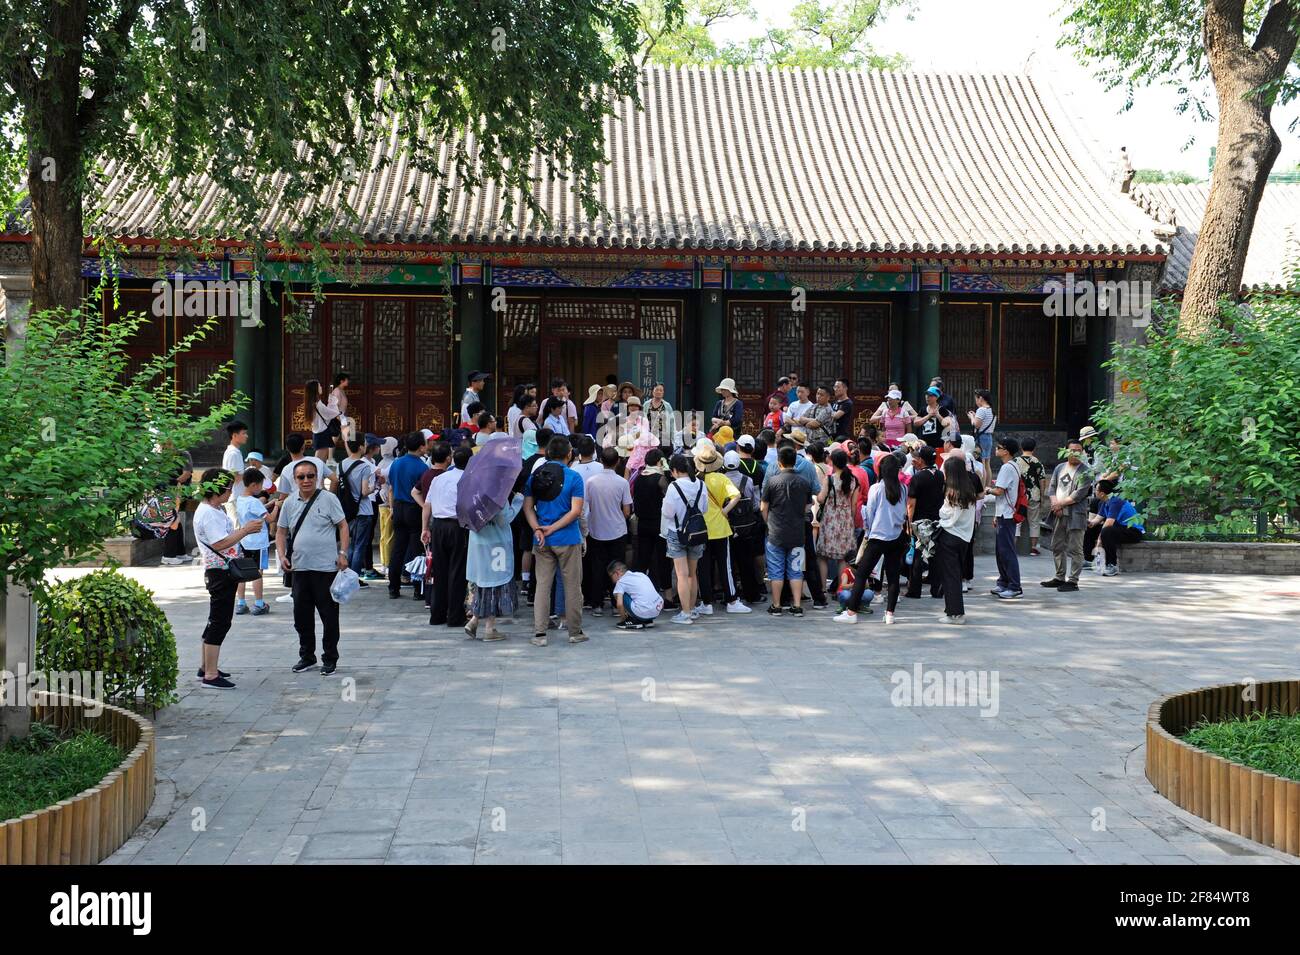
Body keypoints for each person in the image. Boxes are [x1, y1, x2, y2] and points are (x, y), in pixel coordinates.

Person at [275, 460, 349, 675]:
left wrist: (343, 553)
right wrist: (281, 556)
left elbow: (343, 525)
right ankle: (307, 656)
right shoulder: (289, 502)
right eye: (301, 477)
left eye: (310, 476)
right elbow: (280, 532)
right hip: (299, 569)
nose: (306, 480)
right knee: (302, 616)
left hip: (326, 568)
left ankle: (330, 658)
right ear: (294, 480)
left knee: (329, 616)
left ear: (317, 477)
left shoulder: (329, 499)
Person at [194, 469, 265, 689]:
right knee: (220, 621)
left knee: (215, 619)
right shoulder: (209, 513)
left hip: (221, 570)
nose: (229, 493)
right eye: (227, 489)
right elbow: (219, 543)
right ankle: (211, 675)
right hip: (220, 572)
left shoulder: (212, 509)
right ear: (218, 490)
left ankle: (206, 667)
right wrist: (245, 531)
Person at [524, 435, 588, 646]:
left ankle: (540, 634)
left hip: (542, 540)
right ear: (569, 453)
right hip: (568, 537)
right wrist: (554, 527)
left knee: (543, 585)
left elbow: (527, 507)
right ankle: (575, 631)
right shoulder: (574, 477)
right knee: (572, 586)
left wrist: (539, 529)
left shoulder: (534, 477)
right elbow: (576, 511)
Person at [835, 453, 908, 625]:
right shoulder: (903, 488)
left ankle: (851, 612)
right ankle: (890, 614)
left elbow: (869, 513)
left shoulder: (877, 488)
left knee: (861, 574)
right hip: (896, 537)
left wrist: (868, 529)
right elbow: (903, 513)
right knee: (893, 577)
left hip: (877, 537)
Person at [465, 485, 525, 642]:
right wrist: (518, 501)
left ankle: (474, 620)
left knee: (483, 584)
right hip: (496, 545)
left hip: (478, 543)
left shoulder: (471, 492)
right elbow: (504, 519)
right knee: (495, 586)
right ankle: (489, 628)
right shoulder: (497, 493)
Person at [693, 442, 747, 614]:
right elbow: (737, 495)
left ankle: (706, 603)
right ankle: (731, 600)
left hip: (701, 530)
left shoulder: (695, 480)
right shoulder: (722, 478)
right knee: (726, 566)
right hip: (721, 528)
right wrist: (724, 510)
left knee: (703, 567)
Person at [761, 445, 812, 617]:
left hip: (775, 532)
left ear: (779, 462)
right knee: (796, 570)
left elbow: (763, 507)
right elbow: (808, 506)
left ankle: (776, 605)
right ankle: (797, 605)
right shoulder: (804, 482)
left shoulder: (772, 481)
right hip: (798, 533)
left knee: (776, 571)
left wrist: (768, 523)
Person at [583, 446, 633, 615]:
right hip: (617, 530)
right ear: (618, 462)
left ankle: (596, 604)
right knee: (618, 568)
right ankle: (616, 604)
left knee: (597, 567)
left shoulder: (591, 482)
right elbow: (627, 510)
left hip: (596, 529)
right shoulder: (622, 482)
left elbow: (586, 505)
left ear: (601, 461)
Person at [661, 452, 709, 625]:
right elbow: (704, 509)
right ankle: (692, 608)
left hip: (677, 532)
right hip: (697, 532)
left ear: (674, 470)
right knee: (692, 574)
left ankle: (686, 613)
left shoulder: (673, 487)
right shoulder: (701, 485)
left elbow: (667, 513)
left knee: (681, 575)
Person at [1043, 439, 1094, 593]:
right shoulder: (1060, 468)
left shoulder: (1086, 471)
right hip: (1058, 513)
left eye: (1079, 450)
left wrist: (1060, 504)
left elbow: (1078, 495)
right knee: (1057, 545)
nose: (1076, 453)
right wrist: (1055, 505)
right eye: (1072, 450)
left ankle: (1073, 580)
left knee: (1075, 548)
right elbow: (1052, 489)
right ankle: (1059, 576)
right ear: (1066, 451)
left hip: (1075, 515)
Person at [386, 432, 430, 599]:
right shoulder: (422, 467)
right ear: (420, 447)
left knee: (398, 548)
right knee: (417, 549)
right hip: (413, 508)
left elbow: (391, 485)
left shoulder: (396, 463)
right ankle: (417, 589)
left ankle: (393, 587)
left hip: (398, 506)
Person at [935, 457, 979, 624]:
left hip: (950, 536)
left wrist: (940, 514)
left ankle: (956, 614)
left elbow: (946, 516)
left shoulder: (952, 493)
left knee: (950, 577)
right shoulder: (969, 490)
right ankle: (951, 611)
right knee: (954, 575)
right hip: (964, 538)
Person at [814, 449, 858, 601]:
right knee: (842, 559)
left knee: (822, 556)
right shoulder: (853, 480)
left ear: (832, 461)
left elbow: (820, 499)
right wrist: (850, 522)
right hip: (846, 521)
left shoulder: (830, 479)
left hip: (830, 519)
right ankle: (841, 590)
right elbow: (854, 506)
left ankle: (823, 590)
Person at [234, 469, 278, 615]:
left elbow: (254, 511)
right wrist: (276, 506)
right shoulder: (254, 501)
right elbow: (270, 519)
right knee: (257, 573)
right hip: (258, 542)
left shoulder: (241, 499)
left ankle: (241, 603)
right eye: (260, 485)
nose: (261, 489)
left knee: (242, 573)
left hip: (244, 540)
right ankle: (259, 603)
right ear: (253, 485)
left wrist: (268, 504)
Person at [631, 449, 673, 603]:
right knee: (663, 560)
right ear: (659, 462)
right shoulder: (660, 479)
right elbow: (668, 498)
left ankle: (638, 594)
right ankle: (668, 597)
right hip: (659, 524)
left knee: (642, 560)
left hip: (642, 524)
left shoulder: (638, 478)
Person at [723, 449, 764, 605]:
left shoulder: (721, 480)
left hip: (727, 526)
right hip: (746, 526)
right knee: (746, 561)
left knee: (729, 563)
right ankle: (751, 594)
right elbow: (755, 503)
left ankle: (731, 594)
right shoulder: (747, 480)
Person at [984, 437, 1023, 599]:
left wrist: (987, 490)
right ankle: (1004, 582)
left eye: (999, 447)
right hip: (1004, 514)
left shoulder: (1007, 468)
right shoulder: (1013, 466)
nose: (996, 450)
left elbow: (999, 491)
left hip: (1007, 515)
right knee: (1001, 551)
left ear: (1006, 451)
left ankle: (1014, 586)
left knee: (1006, 552)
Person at [903, 445, 943, 600]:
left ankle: (915, 590)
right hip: (937, 520)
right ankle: (936, 588)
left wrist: (909, 522)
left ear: (921, 459)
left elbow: (911, 503)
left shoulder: (918, 477)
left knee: (918, 554)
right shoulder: (940, 475)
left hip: (920, 521)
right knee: (935, 554)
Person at [1086, 479, 1144, 575]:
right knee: (1089, 528)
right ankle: (1088, 560)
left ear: (1102, 493)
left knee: (1107, 531)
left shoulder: (1116, 501)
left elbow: (1109, 523)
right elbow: (1095, 521)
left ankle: (1112, 565)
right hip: (1120, 529)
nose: (1095, 492)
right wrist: (1087, 523)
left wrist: (1099, 541)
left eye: (1096, 490)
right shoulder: (1104, 502)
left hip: (1134, 532)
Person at [339, 439, 376, 584]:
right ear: (360, 447)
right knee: (360, 544)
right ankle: (353, 578)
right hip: (363, 509)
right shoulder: (364, 466)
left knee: (350, 544)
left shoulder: (341, 464)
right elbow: (365, 491)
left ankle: (346, 575)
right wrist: (376, 486)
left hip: (347, 510)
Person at [160, 445, 194, 565]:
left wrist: (173, 484)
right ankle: (168, 555)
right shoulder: (160, 456)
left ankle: (179, 552)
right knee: (172, 522)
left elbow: (186, 474)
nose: (164, 446)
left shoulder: (183, 454)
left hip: (178, 492)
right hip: (168, 493)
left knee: (176, 522)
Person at [607, 561, 663, 629]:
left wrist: (623, 619)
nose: (612, 580)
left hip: (642, 612)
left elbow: (619, 604)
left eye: (611, 576)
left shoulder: (621, 582)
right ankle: (648, 621)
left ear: (617, 573)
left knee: (618, 593)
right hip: (657, 609)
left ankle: (633, 620)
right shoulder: (640, 575)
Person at [1017, 437, 1048, 556]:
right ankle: (1034, 548)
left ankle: (1015, 546)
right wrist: (1042, 496)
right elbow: (1042, 480)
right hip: (1034, 496)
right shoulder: (1037, 462)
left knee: (1017, 521)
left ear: (1021, 447)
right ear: (1034, 448)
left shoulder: (1015, 461)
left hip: (1020, 496)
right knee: (1034, 522)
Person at [306, 379, 341, 463]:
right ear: (315, 389)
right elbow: (328, 414)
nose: (321, 387)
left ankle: (319, 474)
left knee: (321, 459)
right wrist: (334, 405)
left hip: (320, 433)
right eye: (319, 386)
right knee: (319, 460)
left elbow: (326, 413)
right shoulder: (318, 404)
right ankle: (316, 474)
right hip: (322, 433)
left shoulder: (313, 403)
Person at [222, 421, 249, 504]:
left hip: (236, 496)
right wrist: (251, 474)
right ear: (234, 435)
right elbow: (235, 477)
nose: (246, 436)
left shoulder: (233, 451)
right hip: (235, 498)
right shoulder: (233, 453)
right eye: (244, 433)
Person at [968, 390, 997, 465]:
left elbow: (976, 425)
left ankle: (982, 477)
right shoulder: (992, 410)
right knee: (987, 463)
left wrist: (971, 417)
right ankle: (988, 477)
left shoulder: (981, 410)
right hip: (989, 438)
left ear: (980, 398)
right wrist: (976, 416)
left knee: (981, 463)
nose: (976, 402)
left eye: (976, 399)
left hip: (981, 438)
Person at [328, 372, 352, 443]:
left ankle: (330, 454)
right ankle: (330, 454)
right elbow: (335, 406)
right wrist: (339, 418)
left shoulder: (342, 390)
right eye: (347, 380)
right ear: (342, 381)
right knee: (342, 436)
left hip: (342, 416)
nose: (348, 381)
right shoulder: (337, 391)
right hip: (338, 416)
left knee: (343, 436)